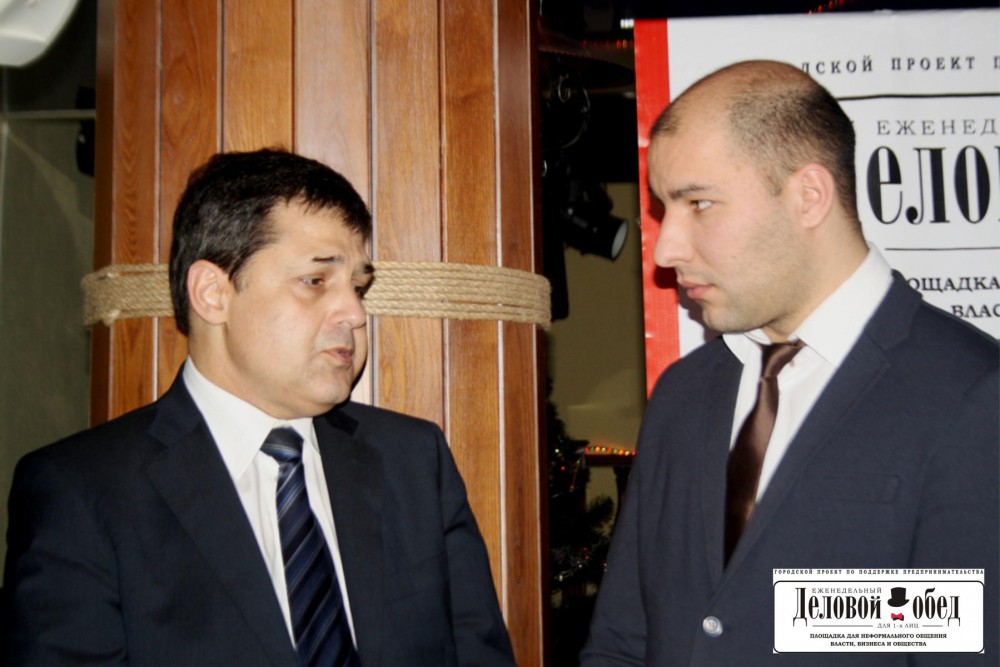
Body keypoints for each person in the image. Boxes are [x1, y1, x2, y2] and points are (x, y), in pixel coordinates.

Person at [4, 148, 517, 666]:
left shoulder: (413, 461)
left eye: (358, 287)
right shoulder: (83, 492)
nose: (355, 313)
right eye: (316, 281)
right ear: (212, 293)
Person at [580, 60, 998, 666]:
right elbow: (624, 641)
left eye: (699, 203)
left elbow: (957, 638)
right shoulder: (683, 395)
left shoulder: (973, 396)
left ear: (809, 197)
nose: (666, 249)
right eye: (665, 208)